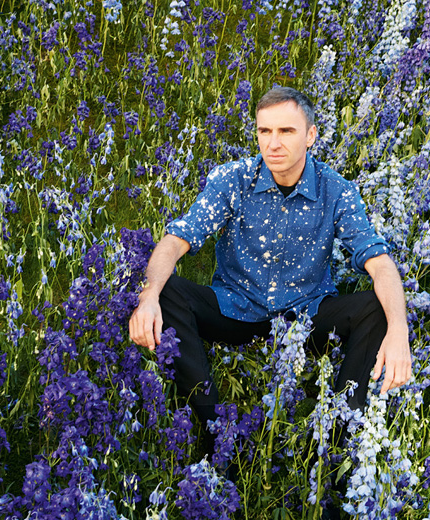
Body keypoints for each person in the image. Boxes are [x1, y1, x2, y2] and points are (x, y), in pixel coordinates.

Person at [128, 86, 411, 434]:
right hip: (236, 310)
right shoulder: (233, 179)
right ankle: (215, 430)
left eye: (286, 131)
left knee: (378, 308)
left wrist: (399, 330)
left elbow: (379, 261)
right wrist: (149, 296)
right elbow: (177, 239)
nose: (273, 143)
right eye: (265, 131)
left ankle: (339, 437)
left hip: (305, 319)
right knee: (166, 291)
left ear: (310, 135)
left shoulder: (336, 190)